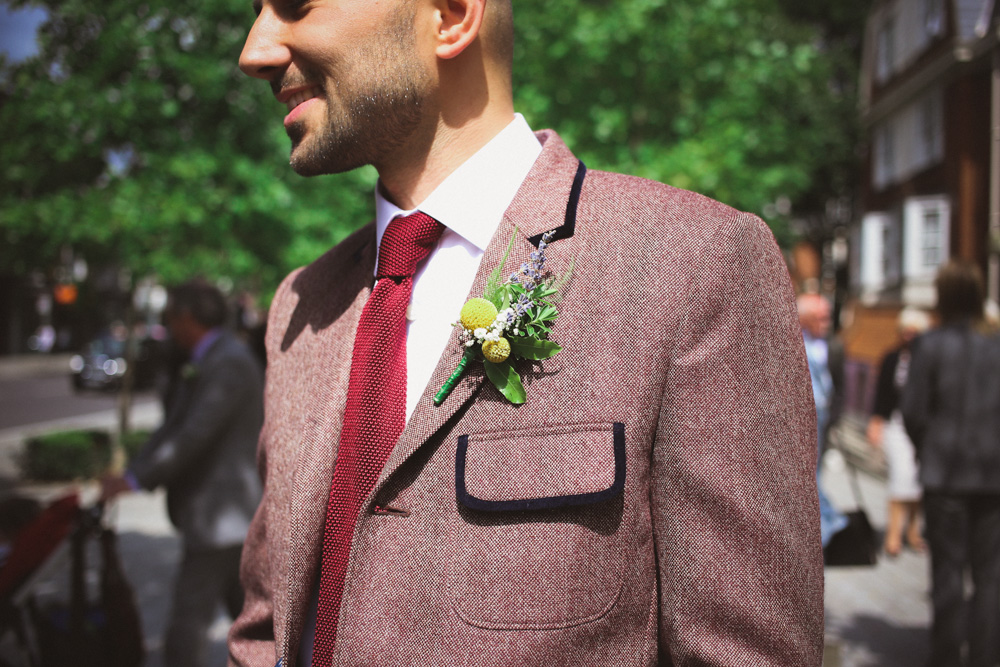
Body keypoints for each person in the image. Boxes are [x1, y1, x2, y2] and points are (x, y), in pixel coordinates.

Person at [232, 1, 824, 665]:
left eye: (293, 4)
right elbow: (265, 631)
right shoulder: (300, 306)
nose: (254, 50)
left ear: (452, 15)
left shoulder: (694, 264)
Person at [101, 280, 264, 667]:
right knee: (249, 620)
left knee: (187, 625)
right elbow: (174, 425)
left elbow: (193, 434)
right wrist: (134, 470)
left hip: (223, 518)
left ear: (187, 318)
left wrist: (136, 479)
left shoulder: (229, 362)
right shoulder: (211, 358)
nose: (168, 328)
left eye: (170, 318)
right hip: (226, 520)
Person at [902, 261, 1000, 667]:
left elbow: (913, 411)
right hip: (992, 474)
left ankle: (945, 657)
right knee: (990, 576)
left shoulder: (929, 345)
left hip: (945, 473)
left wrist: (928, 447)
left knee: (947, 573)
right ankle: (985, 656)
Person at [866, 307, 930, 556]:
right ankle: (894, 534)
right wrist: (876, 421)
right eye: (906, 330)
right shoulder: (892, 358)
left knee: (918, 479)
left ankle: (913, 531)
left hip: (923, 428)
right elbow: (882, 392)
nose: (909, 335)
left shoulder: (928, 360)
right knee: (900, 475)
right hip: (897, 424)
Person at [797, 292, 848, 548]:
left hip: (823, 417)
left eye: (828, 317)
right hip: (801, 418)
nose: (826, 322)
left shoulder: (833, 345)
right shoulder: (793, 342)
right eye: (821, 317)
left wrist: (835, 418)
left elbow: (839, 384)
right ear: (804, 319)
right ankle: (832, 524)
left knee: (815, 474)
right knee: (808, 475)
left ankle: (827, 527)